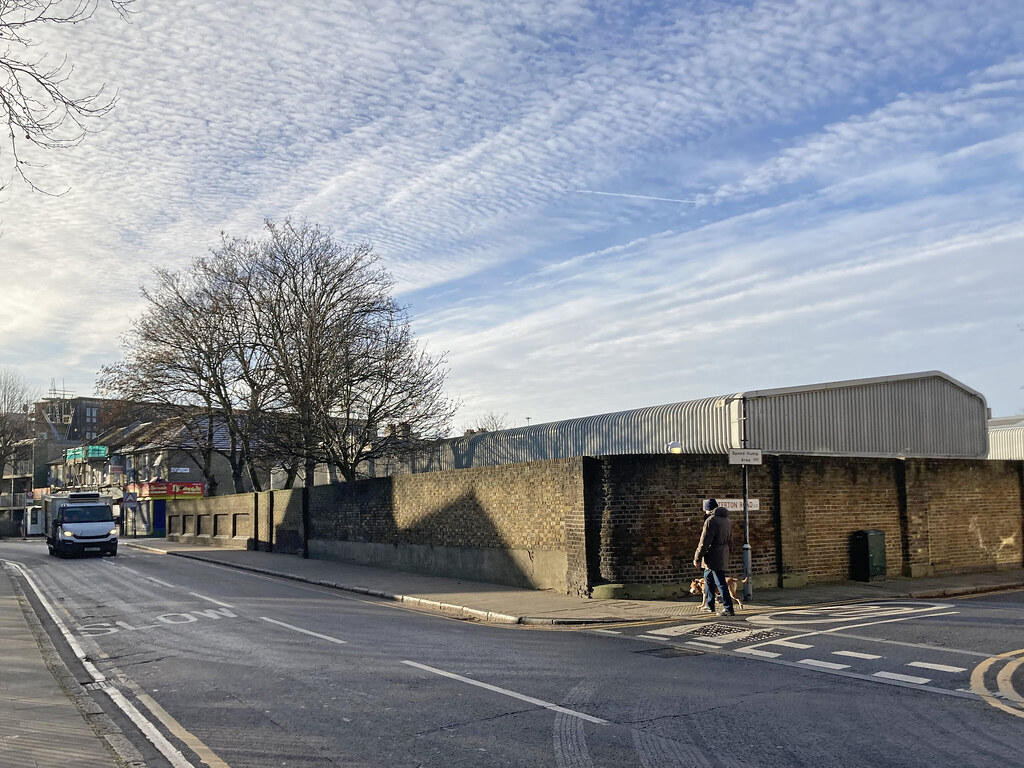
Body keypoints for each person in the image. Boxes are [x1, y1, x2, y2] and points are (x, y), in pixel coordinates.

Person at [693, 498, 735, 616]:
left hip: (713, 555)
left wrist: (697, 558)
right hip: (722, 553)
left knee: (720, 582)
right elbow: (731, 540)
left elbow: (704, 542)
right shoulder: (727, 520)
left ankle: (728, 608)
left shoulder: (711, 521)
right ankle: (709, 604)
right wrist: (729, 553)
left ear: (708, 510)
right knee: (708, 579)